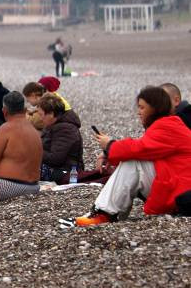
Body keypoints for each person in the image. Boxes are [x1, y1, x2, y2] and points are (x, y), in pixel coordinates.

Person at [74, 86, 191, 226]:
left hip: (180, 191)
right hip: (176, 185)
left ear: (155, 108)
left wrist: (110, 145)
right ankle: (104, 213)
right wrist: (110, 152)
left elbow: (139, 148)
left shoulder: (168, 126)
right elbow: (143, 149)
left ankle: (105, 213)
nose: (138, 112)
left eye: (142, 108)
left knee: (135, 162)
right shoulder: (170, 124)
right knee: (134, 160)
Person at [37, 93, 84, 183]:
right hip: (57, 169)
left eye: (41, 114)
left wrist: (35, 150)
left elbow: (55, 159)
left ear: (51, 114)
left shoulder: (65, 129)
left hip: (66, 172)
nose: (40, 118)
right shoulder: (54, 125)